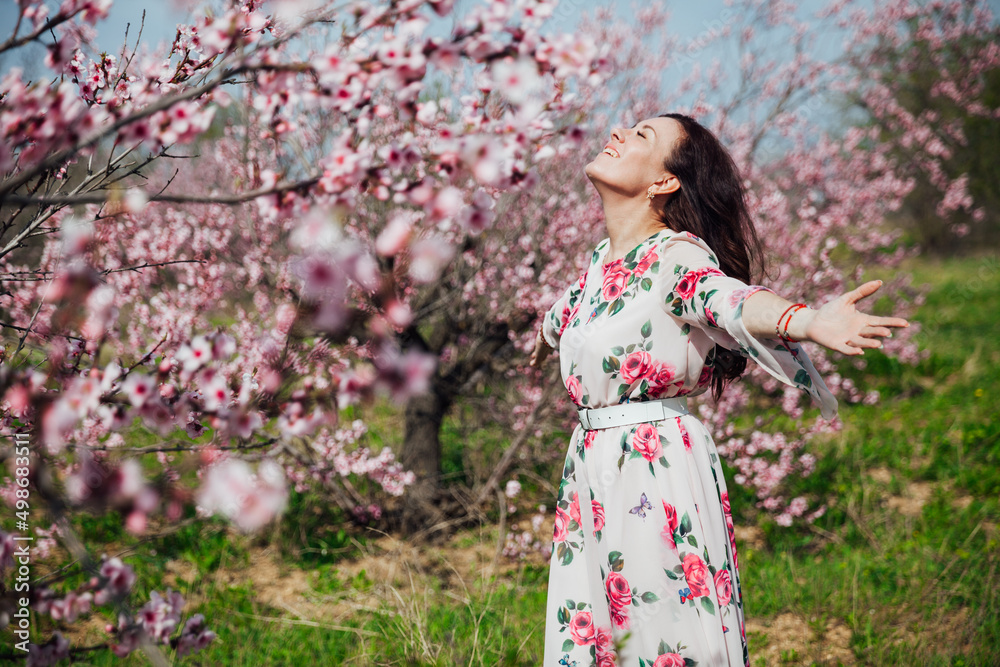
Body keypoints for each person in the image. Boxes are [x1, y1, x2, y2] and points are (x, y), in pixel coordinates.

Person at [528, 113, 909, 667]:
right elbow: (560, 317)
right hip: (592, 466)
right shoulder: (595, 268)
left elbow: (727, 299)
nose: (617, 134)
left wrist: (804, 321)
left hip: (650, 467)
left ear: (664, 182)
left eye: (641, 137)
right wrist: (544, 337)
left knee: (665, 634)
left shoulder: (674, 256)